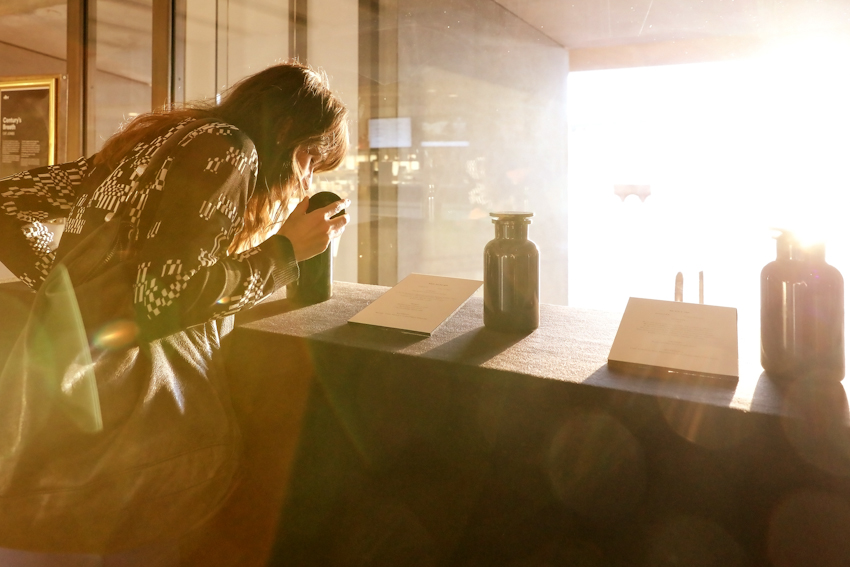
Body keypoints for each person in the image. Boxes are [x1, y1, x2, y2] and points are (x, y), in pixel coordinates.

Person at [0, 61, 350, 557]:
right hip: (131, 413)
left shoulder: (153, 141)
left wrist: (66, 294)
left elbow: (8, 203)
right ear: (288, 130)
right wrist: (287, 252)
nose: (308, 174)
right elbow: (171, 299)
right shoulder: (230, 150)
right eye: (311, 157)